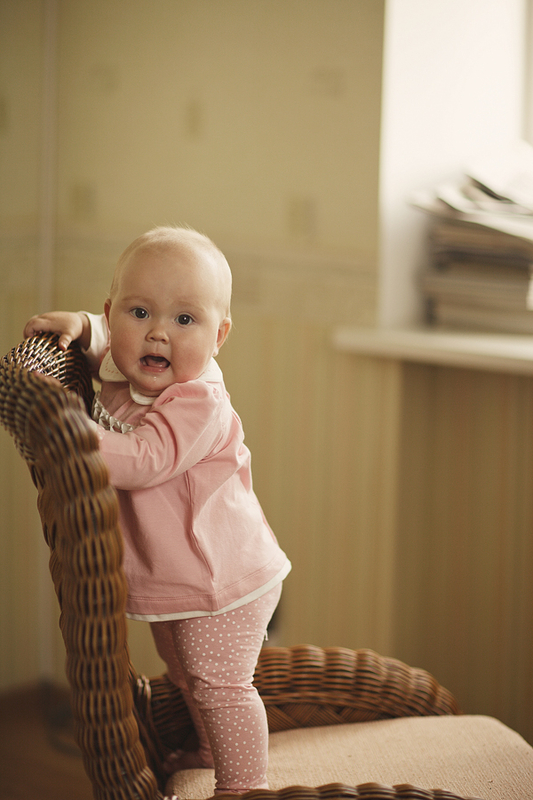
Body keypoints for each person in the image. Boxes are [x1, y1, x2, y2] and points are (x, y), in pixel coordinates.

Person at [24, 225, 291, 795]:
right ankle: (209, 749)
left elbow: (147, 459)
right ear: (112, 313)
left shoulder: (199, 401)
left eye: (185, 319)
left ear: (219, 336)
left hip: (224, 580)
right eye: (140, 312)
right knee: (185, 675)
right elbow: (108, 341)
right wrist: (82, 327)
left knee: (221, 685)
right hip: (180, 577)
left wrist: (73, 433)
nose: (159, 333)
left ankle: (245, 785)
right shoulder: (129, 367)